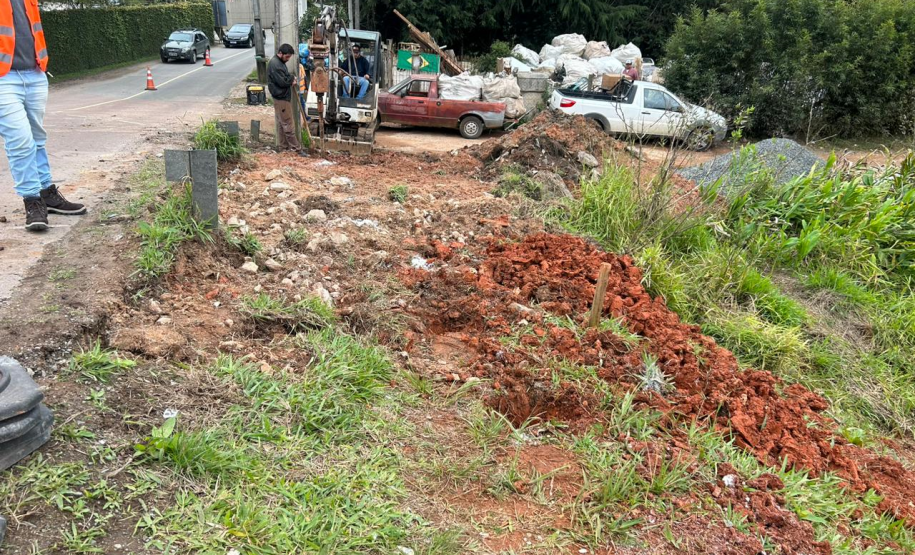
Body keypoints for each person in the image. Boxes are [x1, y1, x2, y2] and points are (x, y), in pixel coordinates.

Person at [0, 0, 85, 231]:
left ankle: (47, 193)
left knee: (37, 138)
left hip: (35, 73)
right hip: (4, 78)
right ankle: (32, 200)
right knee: (20, 140)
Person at [267, 43, 302, 152]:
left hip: (281, 96)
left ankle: (283, 148)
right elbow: (282, 82)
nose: (288, 59)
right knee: (288, 124)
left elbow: (286, 76)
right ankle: (297, 149)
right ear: (280, 53)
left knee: (282, 124)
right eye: (287, 57)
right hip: (281, 97)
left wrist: (291, 78)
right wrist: (291, 80)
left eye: (289, 57)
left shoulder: (280, 62)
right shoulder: (276, 65)